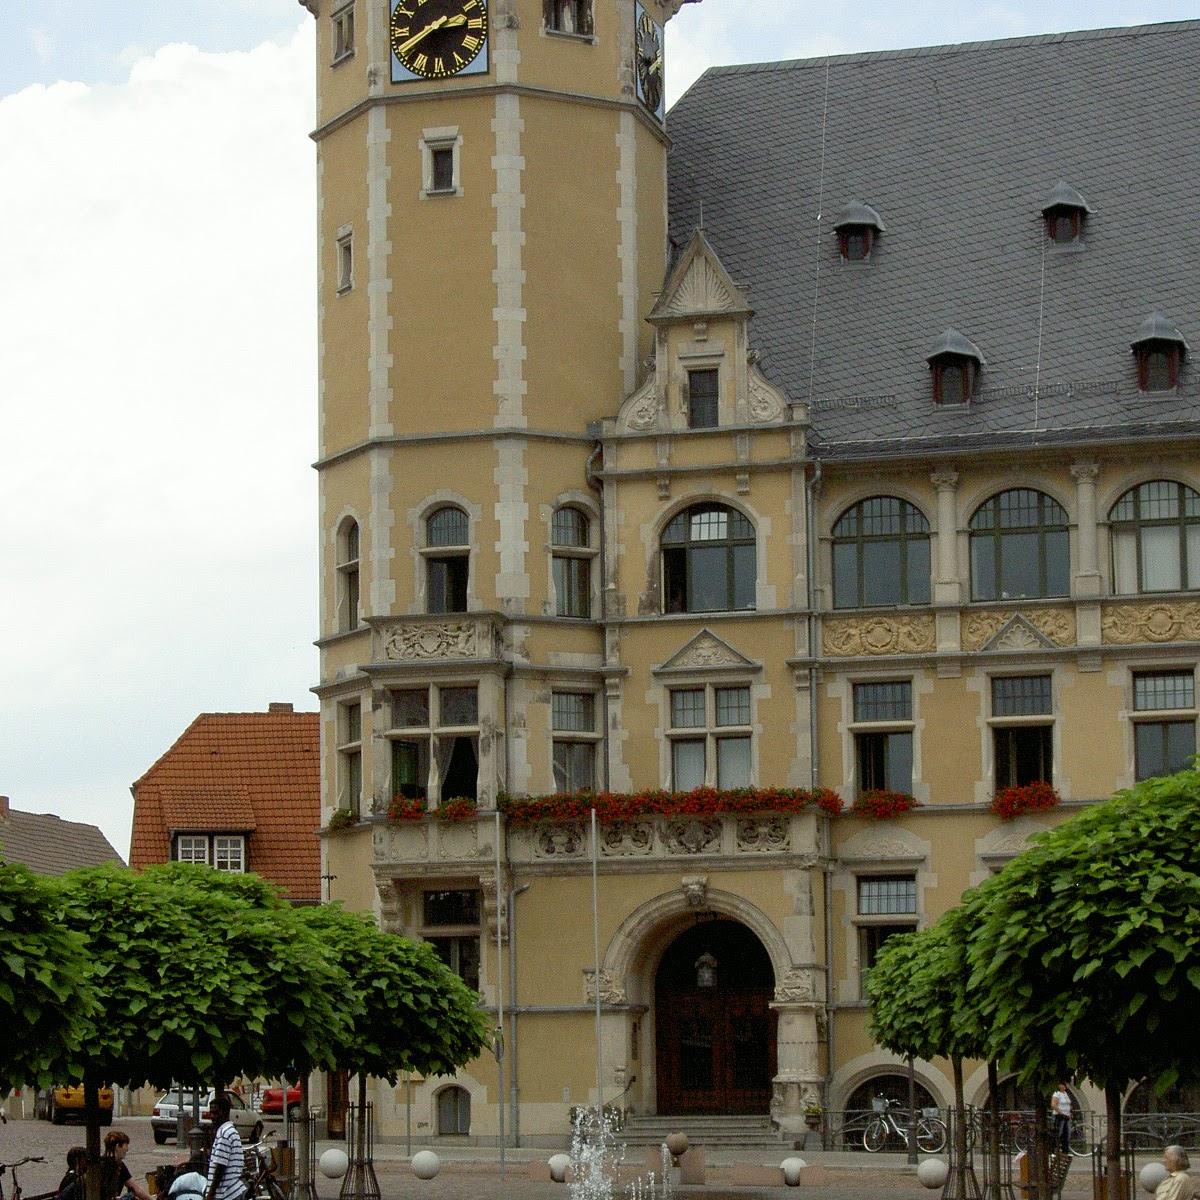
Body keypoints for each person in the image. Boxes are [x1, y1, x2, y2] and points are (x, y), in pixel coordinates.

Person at [205, 1094, 246, 1200]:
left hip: (226, 1194)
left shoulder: (225, 1134)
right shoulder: (231, 1131)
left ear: (225, 1113)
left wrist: (211, 1193)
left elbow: (220, 1166)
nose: (212, 1117)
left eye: (216, 1113)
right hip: (233, 1191)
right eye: (211, 1113)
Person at [99, 1131, 153, 1200]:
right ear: (118, 1146)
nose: (127, 1149)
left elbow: (135, 1188)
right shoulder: (110, 1166)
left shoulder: (118, 1164)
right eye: (126, 1145)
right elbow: (136, 1189)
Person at [1049, 1082, 1072, 1154]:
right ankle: (1053, 1150)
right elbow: (1053, 1105)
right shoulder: (1057, 1093)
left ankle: (1065, 1151)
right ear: (1059, 1086)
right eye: (1063, 1084)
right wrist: (1061, 1112)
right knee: (1058, 1133)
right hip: (1059, 1116)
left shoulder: (1065, 1093)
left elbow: (1068, 1104)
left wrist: (1070, 1112)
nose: (1065, 1086)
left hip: (1066, 1116)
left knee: (1066, 1134)